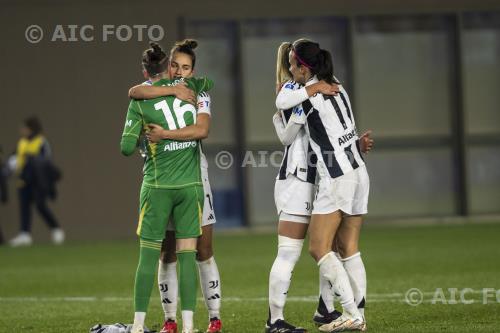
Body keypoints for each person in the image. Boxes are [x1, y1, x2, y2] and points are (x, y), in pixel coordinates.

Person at [267, 41, 373, 333]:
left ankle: (349, 312)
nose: (289, 70)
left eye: (293, 64)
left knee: (318, 248)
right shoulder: (337, 85)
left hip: (334, 178)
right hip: (359, 172)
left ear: (304, 67)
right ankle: (352, 314)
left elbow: (282, 113)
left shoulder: (304, 96)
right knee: (347, 248)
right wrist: (357, 146)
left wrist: (302, 95)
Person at [129, 39, 222, 333]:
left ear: (193, 70)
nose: (180, 72)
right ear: (168, 66)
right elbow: (134, 91)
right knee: (166, 252)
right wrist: (170, 88)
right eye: (175, 66)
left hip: (194, 175)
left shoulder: (200, 91)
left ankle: (214, 317)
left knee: (202, 248)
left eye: (186, 68)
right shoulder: (160, 89)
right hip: (162, 179)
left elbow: (202, 129)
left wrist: (165, 134)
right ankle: (170, 321)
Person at [8, 117, 64, 247]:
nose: (22, 130)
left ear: (30, 128)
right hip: (23, 180)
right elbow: (14, 159)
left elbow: (47, 161)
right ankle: (24, 234)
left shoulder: (41, 142)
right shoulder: (21, 142)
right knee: (24, 207)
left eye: (24, 128)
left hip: (38, 182)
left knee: (40, 206)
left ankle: (56, 229)